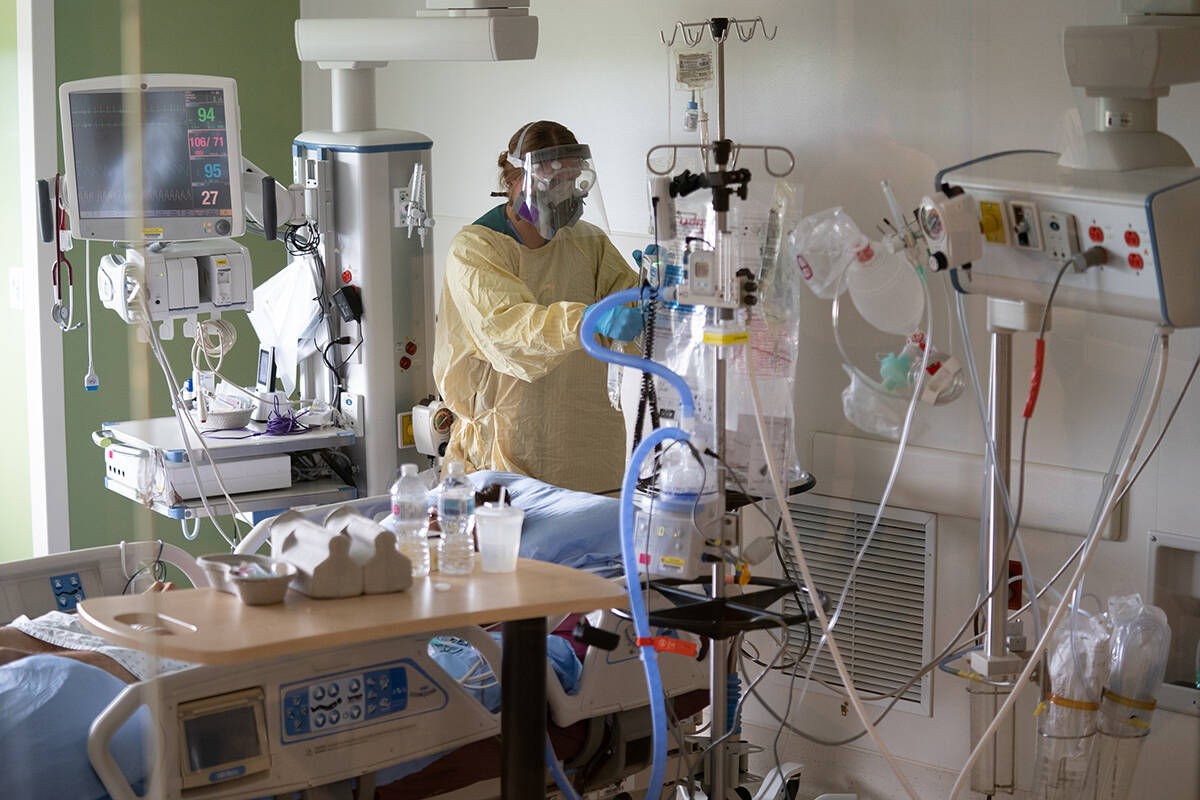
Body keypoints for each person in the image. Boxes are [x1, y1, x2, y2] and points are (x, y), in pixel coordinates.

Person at [433, 121, 642, 493]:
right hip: (510, 449)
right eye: (549, 184)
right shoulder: (476, 250)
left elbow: (629, 312)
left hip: (590, 451)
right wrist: (589, 320)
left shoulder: (586, 241)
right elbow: (510, 332)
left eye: (571, 182)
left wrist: (654, 286)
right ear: (512, 179)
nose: (561, 197)